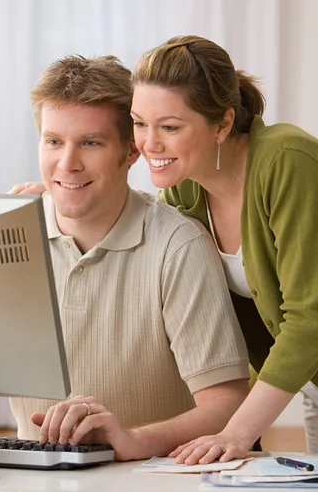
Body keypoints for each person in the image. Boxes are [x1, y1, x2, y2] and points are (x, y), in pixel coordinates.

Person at [4, 54, 251, 461]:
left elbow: (227, 400)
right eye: (53, 141)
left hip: (154, 484)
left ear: (132, 150)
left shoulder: (178, 246)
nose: (67, 164)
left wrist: (133, 440)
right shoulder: (4, 240)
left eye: (91, 143)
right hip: (31, 486)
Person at [128, 34, 318, 463]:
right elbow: (140, 229)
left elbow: (310, 317)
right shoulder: (186, 188)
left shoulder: (287, 161)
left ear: (223, 124)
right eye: (140, 123)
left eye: (170, 127)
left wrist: (234, 434)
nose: (149, 145)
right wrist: (64, 197)